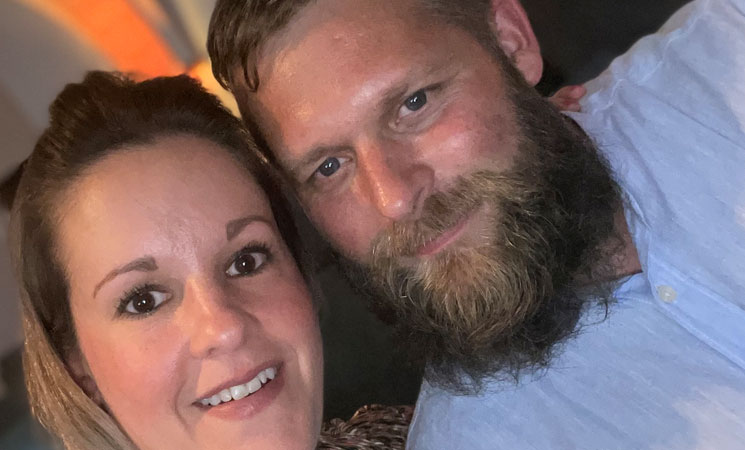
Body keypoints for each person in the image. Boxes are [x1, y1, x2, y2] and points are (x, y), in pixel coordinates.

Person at [207, 0, 745, 448]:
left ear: (510, 41)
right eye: (329, 167)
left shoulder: (728, 51)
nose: (394, 199)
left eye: (413, 104)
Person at [8, 71, 412, 450]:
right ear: (79, 371)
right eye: (144, 300)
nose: (224, 327)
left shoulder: (417, 433)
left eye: (246, 261)